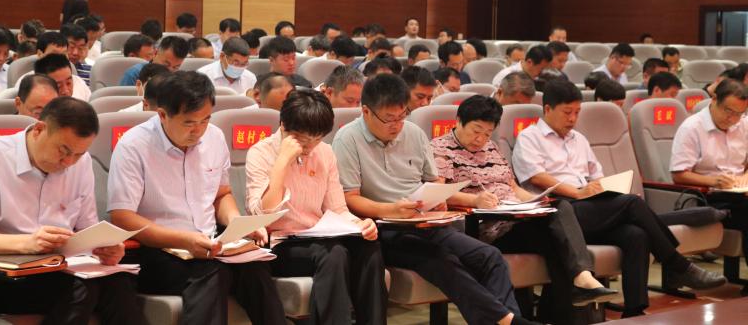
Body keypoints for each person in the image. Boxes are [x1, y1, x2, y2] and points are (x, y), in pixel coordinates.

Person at [332, 74, 538, 325]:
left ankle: (509, 321)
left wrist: (437, 200)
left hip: (426, 221)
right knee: (443, 261)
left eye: (402, 116)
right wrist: (390, 210)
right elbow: (349, 199)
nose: (397, 125)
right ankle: (509, 322)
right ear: (366, 111)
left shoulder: (414, 134)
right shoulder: (347, 139)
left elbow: (433, 181)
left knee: (490, 257)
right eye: (389, 119)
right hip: (385, 229)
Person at [513, 79, 726, 318]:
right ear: (548, 109)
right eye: (567, 112)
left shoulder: (579, 139)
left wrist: (610, 191)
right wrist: (577, 192)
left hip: (588, 207)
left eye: (577, 112)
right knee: (633, 205)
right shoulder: (529, 137)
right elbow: (536, 177)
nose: (573, 118)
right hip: (558, 212)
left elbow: (597, 175)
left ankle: (634, 310)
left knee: (636, 234)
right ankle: (677, 265)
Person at [108, 71, 286, 324]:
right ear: (162, 115)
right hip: (157, 250)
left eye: (205, 120)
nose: (199, 130)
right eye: (189, 123)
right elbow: (122, 217)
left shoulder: (214, 137)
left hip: (209, 243)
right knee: (212, 271)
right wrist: (184, 240)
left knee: (256, 268)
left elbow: (221, 194)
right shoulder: (134, 145)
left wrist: (236, 224)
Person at [0, 97, 144, 325]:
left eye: (78, 154)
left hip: (62, 268)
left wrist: (105, 247)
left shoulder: (81, 163)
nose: (69, 162)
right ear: (39, 129)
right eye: (64, 150)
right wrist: (28, 243)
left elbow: (88, 228)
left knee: (120, 284)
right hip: (6, 275)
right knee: (84, 288)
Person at [432, 96, 618, 322]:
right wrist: (475, 200)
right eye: (476, 131)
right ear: (459, 121)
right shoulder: (440, 148)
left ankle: (573, 294)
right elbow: (438, 192)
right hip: (484, 228)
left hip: (515, 219)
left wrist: (535, 201)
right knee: (556, 240)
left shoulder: (491, 147)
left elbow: (513, 188)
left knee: (558, 211)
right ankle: (578, 287)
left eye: (487, 133)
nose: (480, 139)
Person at [246, 90, 386, 324]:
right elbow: (263, 215)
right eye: (302, 139)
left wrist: (360, 224)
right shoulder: (261, 153)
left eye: (318, 138)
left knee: (369, 248)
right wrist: (282, 161)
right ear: (283, 126)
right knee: (333, 253)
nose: (310, 147)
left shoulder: (325, 152)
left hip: (319, 236)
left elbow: (337, 209)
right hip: (280, 243)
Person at [671, 79, 748, 276]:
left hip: (740, 193)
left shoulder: (744, 125)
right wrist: (714, 181)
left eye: (739, 114)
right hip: (709, 197)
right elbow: (679, 174)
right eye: (728, 111)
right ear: (714, 100)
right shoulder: (692, 128)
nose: (732, 119)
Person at [120, 36, 187, 86]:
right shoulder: (134, 73)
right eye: (166, 65)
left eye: (176, 67)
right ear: (155, 53)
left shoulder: (179, 79)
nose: (170, 71)